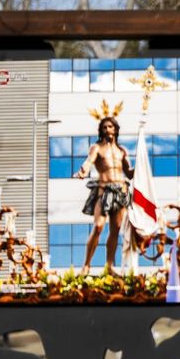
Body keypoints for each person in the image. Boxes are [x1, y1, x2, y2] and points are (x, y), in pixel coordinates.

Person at [74, 109, 132, 274]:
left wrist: (141, 168)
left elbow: (129, 173)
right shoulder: (97, 148)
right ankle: (86, 265)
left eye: (110, 126)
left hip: (120, 192)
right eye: (105, 127)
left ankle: (109, 266)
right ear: (101, 130)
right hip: (104, 191)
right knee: (99, 226)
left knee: (116, 229)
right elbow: (88, 162)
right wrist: (83, 171)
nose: (108, 129)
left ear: (115, 129)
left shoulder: (122, 151)